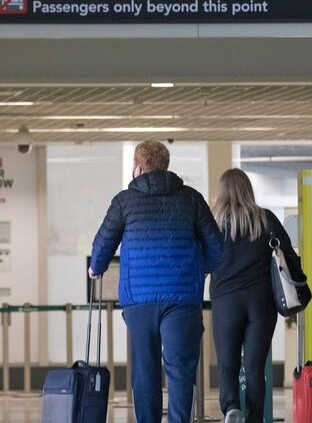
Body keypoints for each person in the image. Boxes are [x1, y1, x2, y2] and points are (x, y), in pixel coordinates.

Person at [89, 141, 224, 423]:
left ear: (138, 168)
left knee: (145, 371)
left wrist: (96, 268)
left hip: (139, 300)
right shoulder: (191, 199)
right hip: (182, 298)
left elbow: (103, 242)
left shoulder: (124, 201)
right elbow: (217, 247)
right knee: (181, 370)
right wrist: (200, 269)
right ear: (165, 165)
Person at [210, 169, 309, 423]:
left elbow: (200, 259)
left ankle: (231, 407)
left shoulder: (213, 223)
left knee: (228, 363)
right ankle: (254, 418)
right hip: (261, 302)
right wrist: (302, 286)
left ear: (221, 192)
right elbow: (288, 255)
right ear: (248, 190)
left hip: (225, 301)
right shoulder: (265, 219)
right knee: (254, 367)